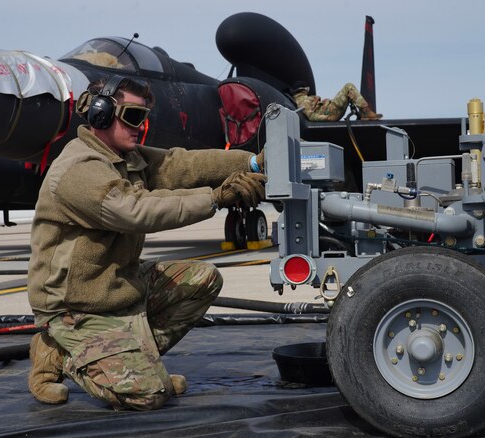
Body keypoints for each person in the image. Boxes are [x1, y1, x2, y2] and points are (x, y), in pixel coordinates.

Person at [27, 75, 266, 411]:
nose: (141, 126)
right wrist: (215, 198)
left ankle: (130, 360)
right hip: (76, 307)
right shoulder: (78, 169)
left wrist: (252, 162)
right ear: (101, 114)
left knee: (202, 279)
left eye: (144, 117)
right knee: (148, 394)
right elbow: (134, 210)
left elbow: (179, 165)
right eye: (134, 117)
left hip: (118, 288)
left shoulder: (126, 157)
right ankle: (61, 350)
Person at [291, 81, 382, 121]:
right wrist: (328, 118)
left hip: (330, 110)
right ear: (305, 89)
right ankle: (365, 111)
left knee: (348, 91)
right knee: (348, 87)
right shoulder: (302, 100)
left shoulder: (302, 100)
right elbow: (311, 116)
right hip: (330, 111)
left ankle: (363, 113)